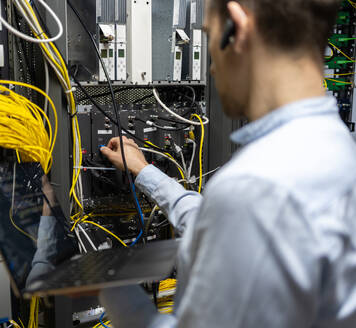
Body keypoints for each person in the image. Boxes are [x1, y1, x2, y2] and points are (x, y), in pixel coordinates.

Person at [97, 0, 356, 327]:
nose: (211, 67)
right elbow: (227, 226)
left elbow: (247, 206)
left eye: (209, 36)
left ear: (237, 26)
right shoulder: (335, 146)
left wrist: (105, 285)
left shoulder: (255, 185)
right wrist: (144, 171)